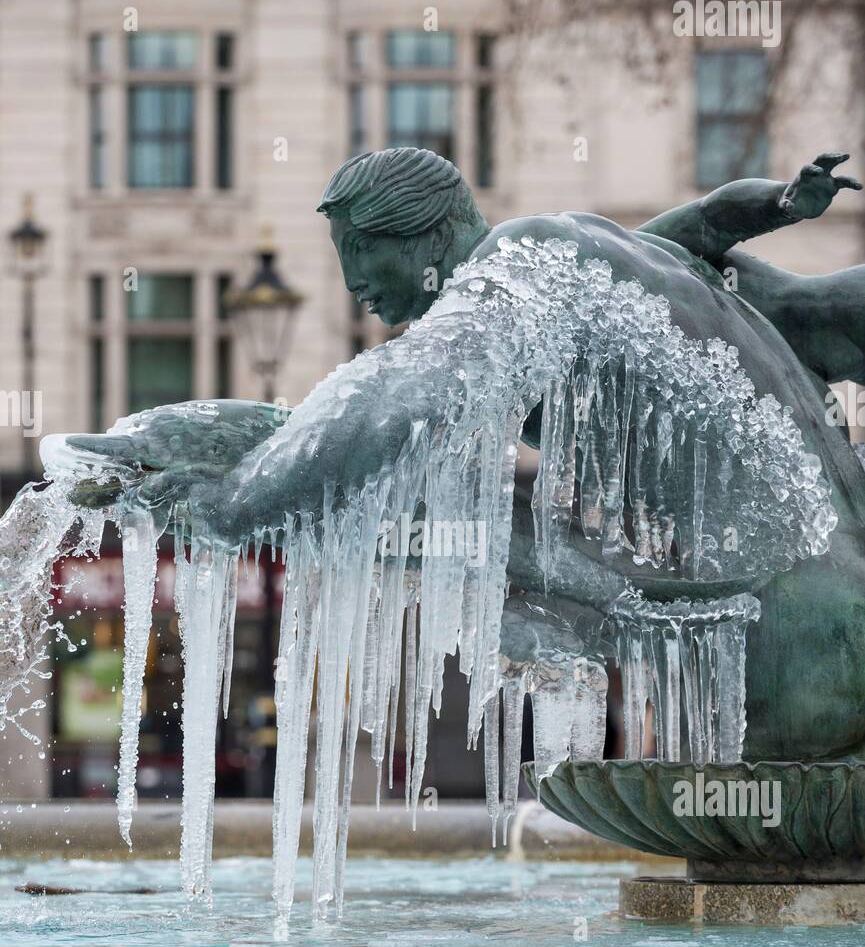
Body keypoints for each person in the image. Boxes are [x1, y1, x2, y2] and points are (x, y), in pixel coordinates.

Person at [63, 148, 865, 760]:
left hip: (792, 650)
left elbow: (390, 408)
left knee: (419, 509)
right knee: (414, 501)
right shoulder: (574, 252)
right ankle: (156, 461)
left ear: (428, 234)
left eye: (361, 253)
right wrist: (192, 442)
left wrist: (236, 510)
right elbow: (703, 223)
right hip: (822, 610)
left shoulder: (507, 281)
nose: (353, 287)